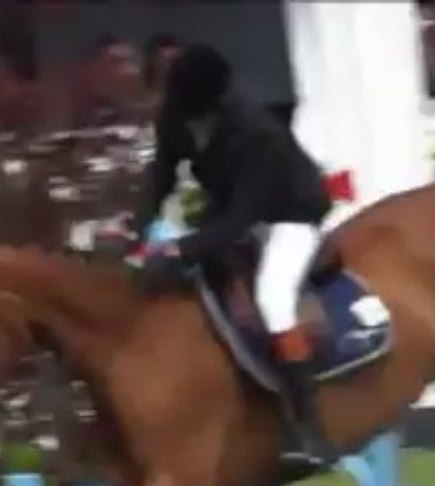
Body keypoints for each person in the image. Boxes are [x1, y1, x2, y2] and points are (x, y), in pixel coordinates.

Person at [130, 44, 337, 459]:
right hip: (229, 207)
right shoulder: (174, 115)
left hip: (288, 214)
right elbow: (161, 176)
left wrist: (179, 248)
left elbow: (243, 218)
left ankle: (307, 425)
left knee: (273, 300)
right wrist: (138, 230)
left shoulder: (258, 133)